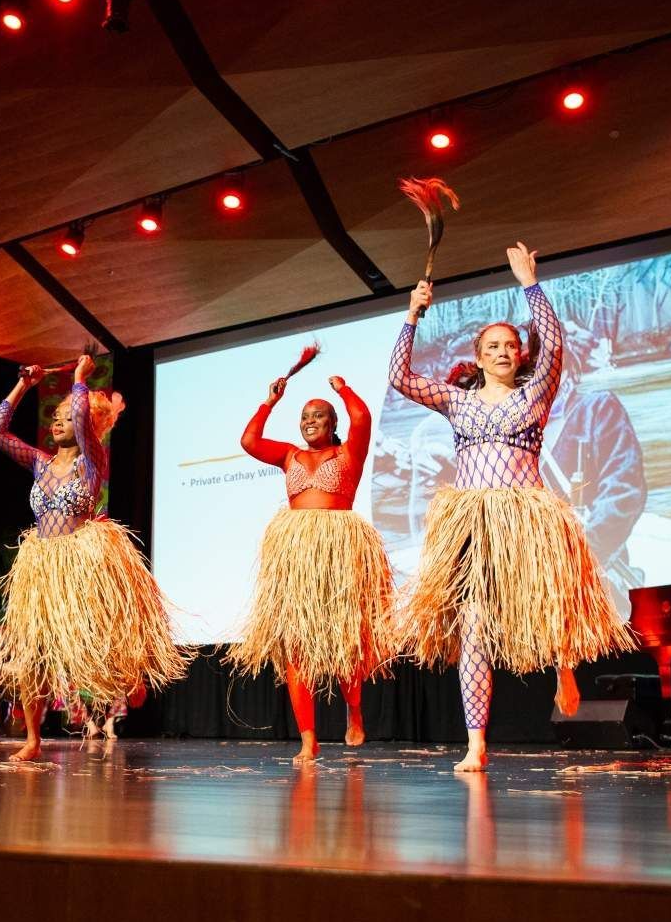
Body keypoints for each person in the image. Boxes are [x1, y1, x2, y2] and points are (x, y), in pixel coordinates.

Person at [389, 242, 632, 772]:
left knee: (549, 605)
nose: (503, 351)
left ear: (521, 354)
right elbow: (401, 380)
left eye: (511, 345)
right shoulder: (458, 401)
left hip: (525, 516)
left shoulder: (535, 395)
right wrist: (412, 314)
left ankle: (564, 666)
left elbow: (558, 346)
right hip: (473, 519)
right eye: (493, 345)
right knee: (474, 624)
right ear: (478, 356)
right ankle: (476, 743)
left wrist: (530, 282)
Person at [0, 356, 189, 762]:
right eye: (54, 417)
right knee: (31, 652)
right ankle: (32, 739)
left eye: (65, 416)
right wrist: (24, 386)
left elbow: (81, 418)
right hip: (41, 563)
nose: (57, 423)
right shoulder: (40, 463)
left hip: (80, 562)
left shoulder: (92, 459)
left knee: (93, 648)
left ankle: (126, 688)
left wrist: (79, 381)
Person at [231, 372, 394, 765]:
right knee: (296, 646)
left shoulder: (348, 454)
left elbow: (363, 418)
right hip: (297, 554)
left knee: (344, 641)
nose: (309, 421)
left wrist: (344, 389)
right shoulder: (290, 455)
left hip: (338, 548)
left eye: (319, 415)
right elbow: (249, 442)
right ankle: (309, 738)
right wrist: (269, 401)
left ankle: (354, 711)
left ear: (333, 423)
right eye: (305, 416)